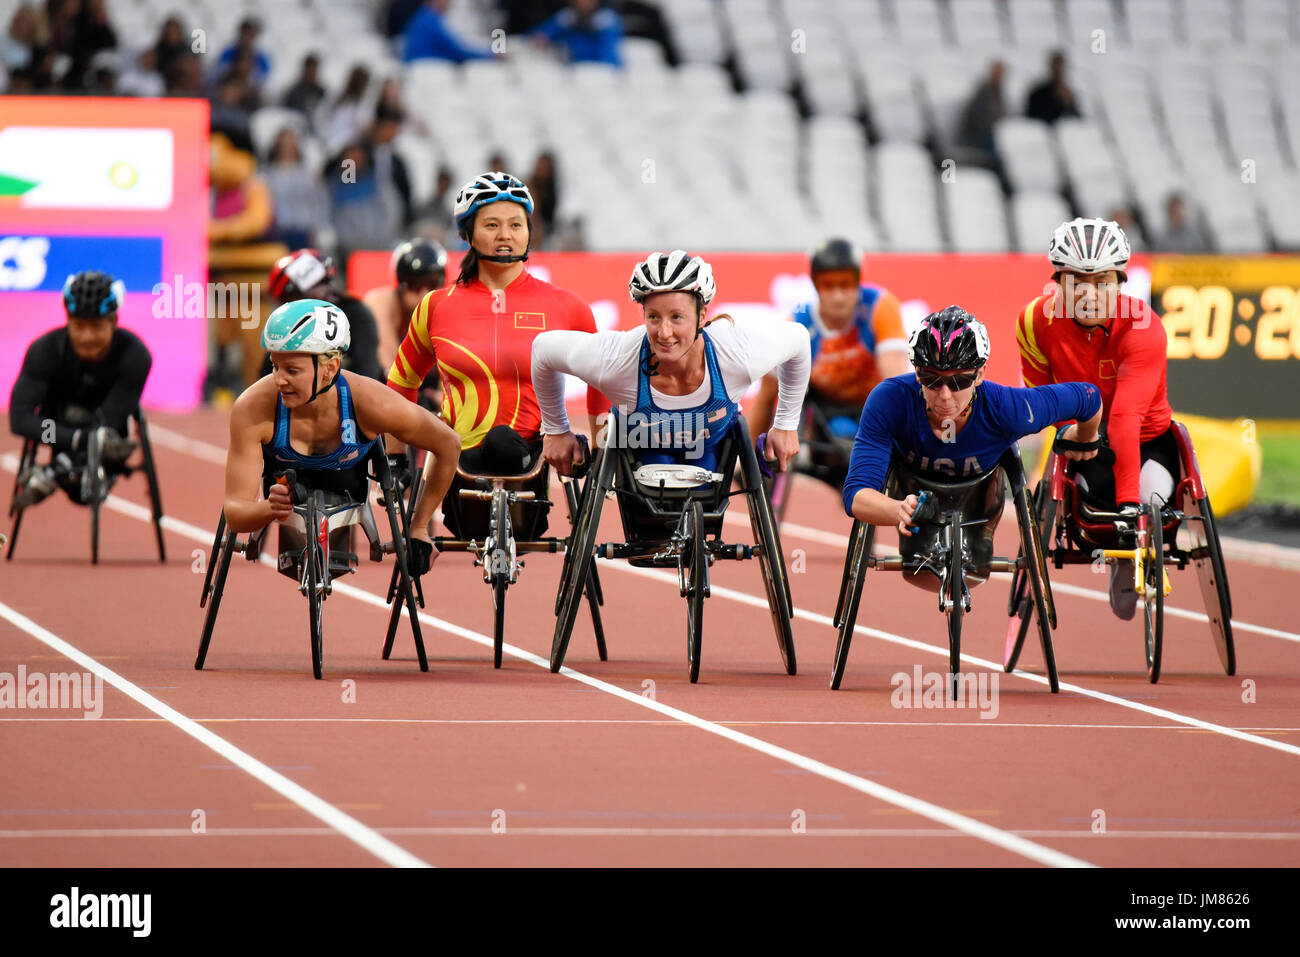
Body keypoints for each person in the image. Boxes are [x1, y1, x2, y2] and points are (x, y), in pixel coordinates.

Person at [386, 171, 609, 480]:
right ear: (467, 234)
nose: (505, 234)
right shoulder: (436, 305)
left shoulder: (568, 306)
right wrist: (395, 458)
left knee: (505, 446)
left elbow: (602, 377)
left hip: (533, 461)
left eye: (516, 225)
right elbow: (401, 383)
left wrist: (598, 448)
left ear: (530, 232)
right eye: (492, 225)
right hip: (456, 466)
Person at [843, 306, 1103, 571]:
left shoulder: (1009, 408)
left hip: (980, 501)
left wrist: (1085, 435)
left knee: (976, 563)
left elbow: (1088, 396)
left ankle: (977, 544)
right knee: (917, 568)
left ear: (979, 374)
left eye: (959, 381)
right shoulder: (889, 401)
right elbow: (856, 495)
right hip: (913, 497)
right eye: (931, 380)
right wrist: (900, 509)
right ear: (917, 372)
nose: (945, 395)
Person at [223, 299, 461, 577]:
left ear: (331, 367)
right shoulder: (252, 407)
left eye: (292, 370)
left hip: (348, 483)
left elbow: (448, 444)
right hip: (283, 484)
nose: (278, 380)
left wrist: (419, 526)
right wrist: (267, 508)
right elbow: (235, 512)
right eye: (275, 366)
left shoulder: (371, 402)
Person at [1016, 217, 1174, 617]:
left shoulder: (1144, 327)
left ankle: (1128, 552)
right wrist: (1070, 431)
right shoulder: (1034, 322)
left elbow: (1125, 416)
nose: (1089, 293)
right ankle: (1119, 553)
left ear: (1119, 282)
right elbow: (1041, 399)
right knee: (1084, 501)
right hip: (1087, 440)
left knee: (1151, 496)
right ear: (1058, 283)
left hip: (1147, 439)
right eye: (1077, 281)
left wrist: (1128, 508)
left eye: (1102, 281)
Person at [533, 250, 811, 478]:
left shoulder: (735, 352)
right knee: (650, 501)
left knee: (700, 489)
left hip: (709, 450)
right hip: (640, 451)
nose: (664, 333)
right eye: (654, 317)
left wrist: (786, 425)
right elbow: (543, 350)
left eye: (677, 317)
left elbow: (799, 340)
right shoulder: (616, 358)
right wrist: (556, 429)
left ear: (702, 316)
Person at [749, 238, 910, 483]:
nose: (837, 296)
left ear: (857, 281)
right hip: (826, 414)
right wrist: (748, 460)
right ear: (815, 285)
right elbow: (765, 398)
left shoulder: (880, 306)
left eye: (845, 284)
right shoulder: (798, 322)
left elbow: (896, 380)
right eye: (828, 285)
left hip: (874, 407)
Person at [10, 270, 152, 508]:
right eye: (79, 326)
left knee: (103, 436)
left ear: (114, 321)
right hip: (54, 429)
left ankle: (55, 470)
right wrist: (73, 439)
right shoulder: (45, 351)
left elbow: (109, 420)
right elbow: (20, 418)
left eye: (96, 326)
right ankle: (61, 465)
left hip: (108, 438)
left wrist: (87, 441)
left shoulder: (135, 355)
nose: (87, 337)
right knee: (73, 429)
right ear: (68, 320)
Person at [265, 249, 383, 382]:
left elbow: (367, 375)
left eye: (326, 282)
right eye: (318, 284)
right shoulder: (284, 326)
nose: (328, 290)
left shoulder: (356, 314)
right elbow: (266, 380)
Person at [364, 238, 446, 411]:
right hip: (391, 394)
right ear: (400, 283)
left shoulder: (449, 308)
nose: (424, 293)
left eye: (432, 283)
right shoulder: (381, 302)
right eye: (415, 284)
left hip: (427, 400)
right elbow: (393, 377)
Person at [530, 0, 624, 67]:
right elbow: (540, 35)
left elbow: (609, 52)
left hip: (605, 71)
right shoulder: (567, 17)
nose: (582, 2)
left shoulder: (608, 19)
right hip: (575, 70)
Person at [403, 0, 497, 63]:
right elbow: (457, 50)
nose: (450, 2)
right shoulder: (430, 21)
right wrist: (492, 56)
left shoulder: (422, 17)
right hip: (430, 71)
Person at [1026, 50, 1080, 124]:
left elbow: (1077, 120)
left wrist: (1068, 104)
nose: (1058, 71)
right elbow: (1032, 118)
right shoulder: (1038, 93)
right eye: (1056, 67)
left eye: (1061, 67)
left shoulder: (1068, 94)